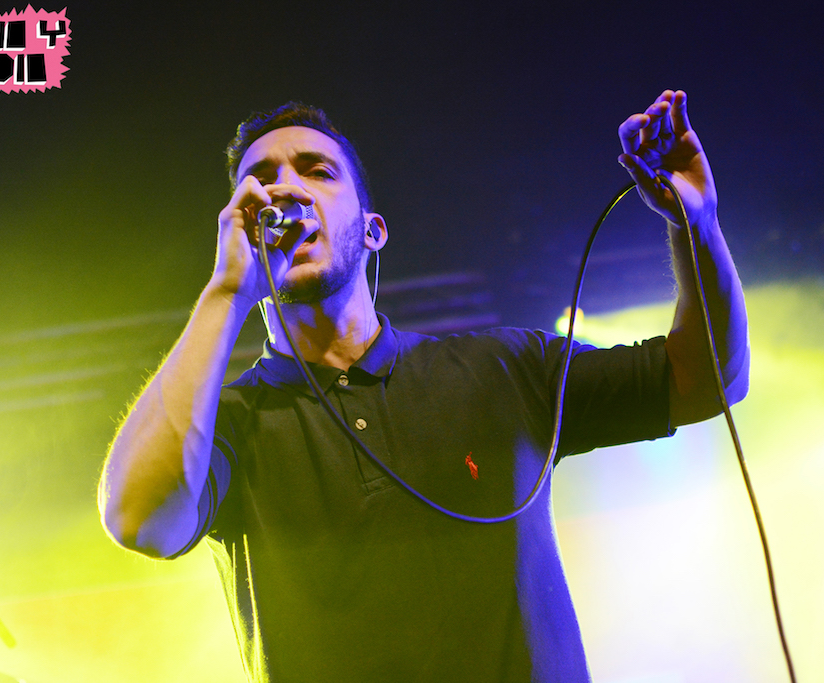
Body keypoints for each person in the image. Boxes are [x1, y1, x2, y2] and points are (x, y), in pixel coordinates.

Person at [98, 90, 749, 682]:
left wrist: (697, 225)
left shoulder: (503, 366)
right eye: (262, 180)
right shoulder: (230, 423)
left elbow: (709, 379)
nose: (285, 191)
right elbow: (138, 518)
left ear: (372, 230)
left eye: (317, 171)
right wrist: (226, 291)